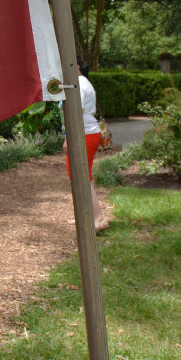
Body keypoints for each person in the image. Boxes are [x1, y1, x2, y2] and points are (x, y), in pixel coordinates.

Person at [64, 57, 108, 231]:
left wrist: (68, 138)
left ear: (78, 66)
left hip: (84, 134)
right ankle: (86, 217)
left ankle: (98, 219)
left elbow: (77, 111)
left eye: (68, 63)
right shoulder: (82, 82)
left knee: (81, 177)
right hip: (87, 132)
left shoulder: (79, 84)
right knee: (80, 176)